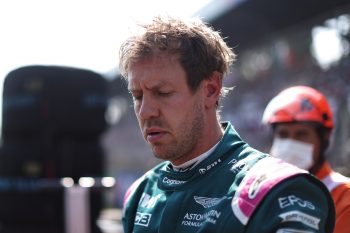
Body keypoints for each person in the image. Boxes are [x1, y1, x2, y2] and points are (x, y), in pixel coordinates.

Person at [118, 15, 335, 233]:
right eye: (137, 96)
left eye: (162, 93)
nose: (145, 111)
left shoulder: (280, 191)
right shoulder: (139, 194)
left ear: (210, 89)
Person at [262, 85, 350, 233]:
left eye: (301, 134)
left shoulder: (344, 197)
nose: (290, 143)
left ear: (324, 139)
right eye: (283, 135)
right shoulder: (260, 193)